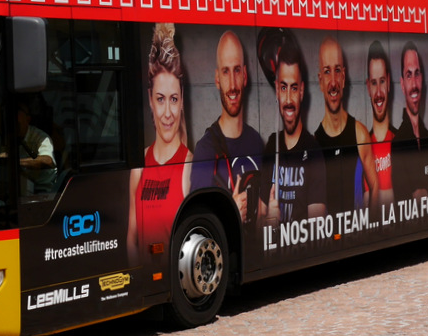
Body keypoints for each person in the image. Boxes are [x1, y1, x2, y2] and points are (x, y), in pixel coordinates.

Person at [128, 23, 191, 265]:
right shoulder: (138, 165)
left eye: (173, 99)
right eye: (160, 99)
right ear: (150, 101)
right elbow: (131, 239)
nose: (167, 113)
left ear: (182, 100)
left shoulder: (190, 164)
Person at [191, 31, 263, 230]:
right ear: (217, 79)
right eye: (225, 71)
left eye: (237, 70)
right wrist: (230, 215)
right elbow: (199, 223)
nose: (232, 84)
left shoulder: (256, 141)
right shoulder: (205, 151)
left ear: (245, 75)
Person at [260, 39, 326, 227]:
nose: (288, 99)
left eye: (294, 88)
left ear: (302, 91)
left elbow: (317, 228)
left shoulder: (313, 152)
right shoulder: (271, 146)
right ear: (277, 92)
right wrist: (267, 222)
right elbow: (258, 226)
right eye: (283, 87)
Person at [314, 36, 378, 214]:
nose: (333, 82)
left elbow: (376, 188)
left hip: (356, 236)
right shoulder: (314, 143)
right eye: (327, 72)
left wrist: (367, 227)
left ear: (343, 77)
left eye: (336, 71)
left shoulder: (360, 133)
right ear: (320, 81)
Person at [391, 41, 428, 199]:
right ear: (402, 84)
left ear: (422, 79)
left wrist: (424, 191)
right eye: (408, 75)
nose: (414, 84)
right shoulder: (398, 142)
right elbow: (409, 198)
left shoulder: (427, 137)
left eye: (417, 73)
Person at [0, 101, 56, 194]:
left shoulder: (40, 137)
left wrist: (13, 161)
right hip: (14, 188)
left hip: (41, 190)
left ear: (28, 119)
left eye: (18, 111)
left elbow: (48, 161)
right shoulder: (4, 138)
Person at [362, 41, 395, 208]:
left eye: (382, 81)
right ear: (368, 87)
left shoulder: (401, 139)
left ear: (389, 82)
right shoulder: (364, 149)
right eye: (374, 83)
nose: (379, 93)